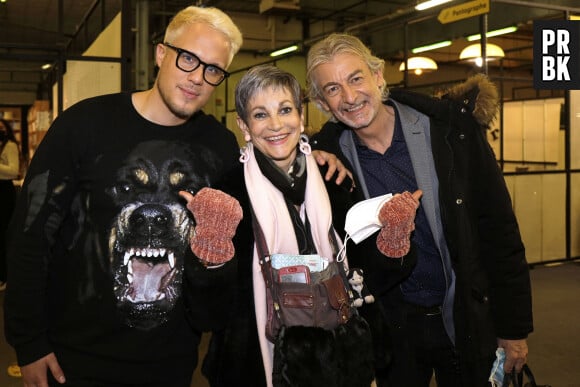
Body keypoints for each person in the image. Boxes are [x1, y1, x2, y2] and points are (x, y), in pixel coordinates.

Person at [4, 6, 247, 387]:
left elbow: (249, 222)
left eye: (213, 69)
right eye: (188, 59)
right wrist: (29, 342)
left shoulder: (221, 147)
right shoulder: (83, 125)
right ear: (161, 54)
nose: (198, 78)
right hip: (73, 360)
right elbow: (31, 235)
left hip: (171, 363)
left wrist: (310, 155)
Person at [306, 32, 533, 387]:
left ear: (378, 77)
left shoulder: (450, 133)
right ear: (321, 102)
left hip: (463, 318)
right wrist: (311, 156)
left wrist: (514, 327)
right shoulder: (328, 165)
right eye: (333, 89)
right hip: (393, 328)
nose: (349, 97)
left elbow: (499, 228)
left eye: (356, 78)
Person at [234, 63, 377, 387]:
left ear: (301, 116)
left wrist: (394, 238)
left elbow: (368, 264)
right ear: (244, 126)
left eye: (285, 110)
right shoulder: (231, 194)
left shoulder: (334, 180)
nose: (275, 125)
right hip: (264, 360)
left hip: (339, 353)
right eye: (260, 114)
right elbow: (214, 305)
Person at [0, 118, 20, 292]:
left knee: (4, 233)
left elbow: (14, 170)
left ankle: (6, 276)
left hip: (4, 192)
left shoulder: (10, 146)